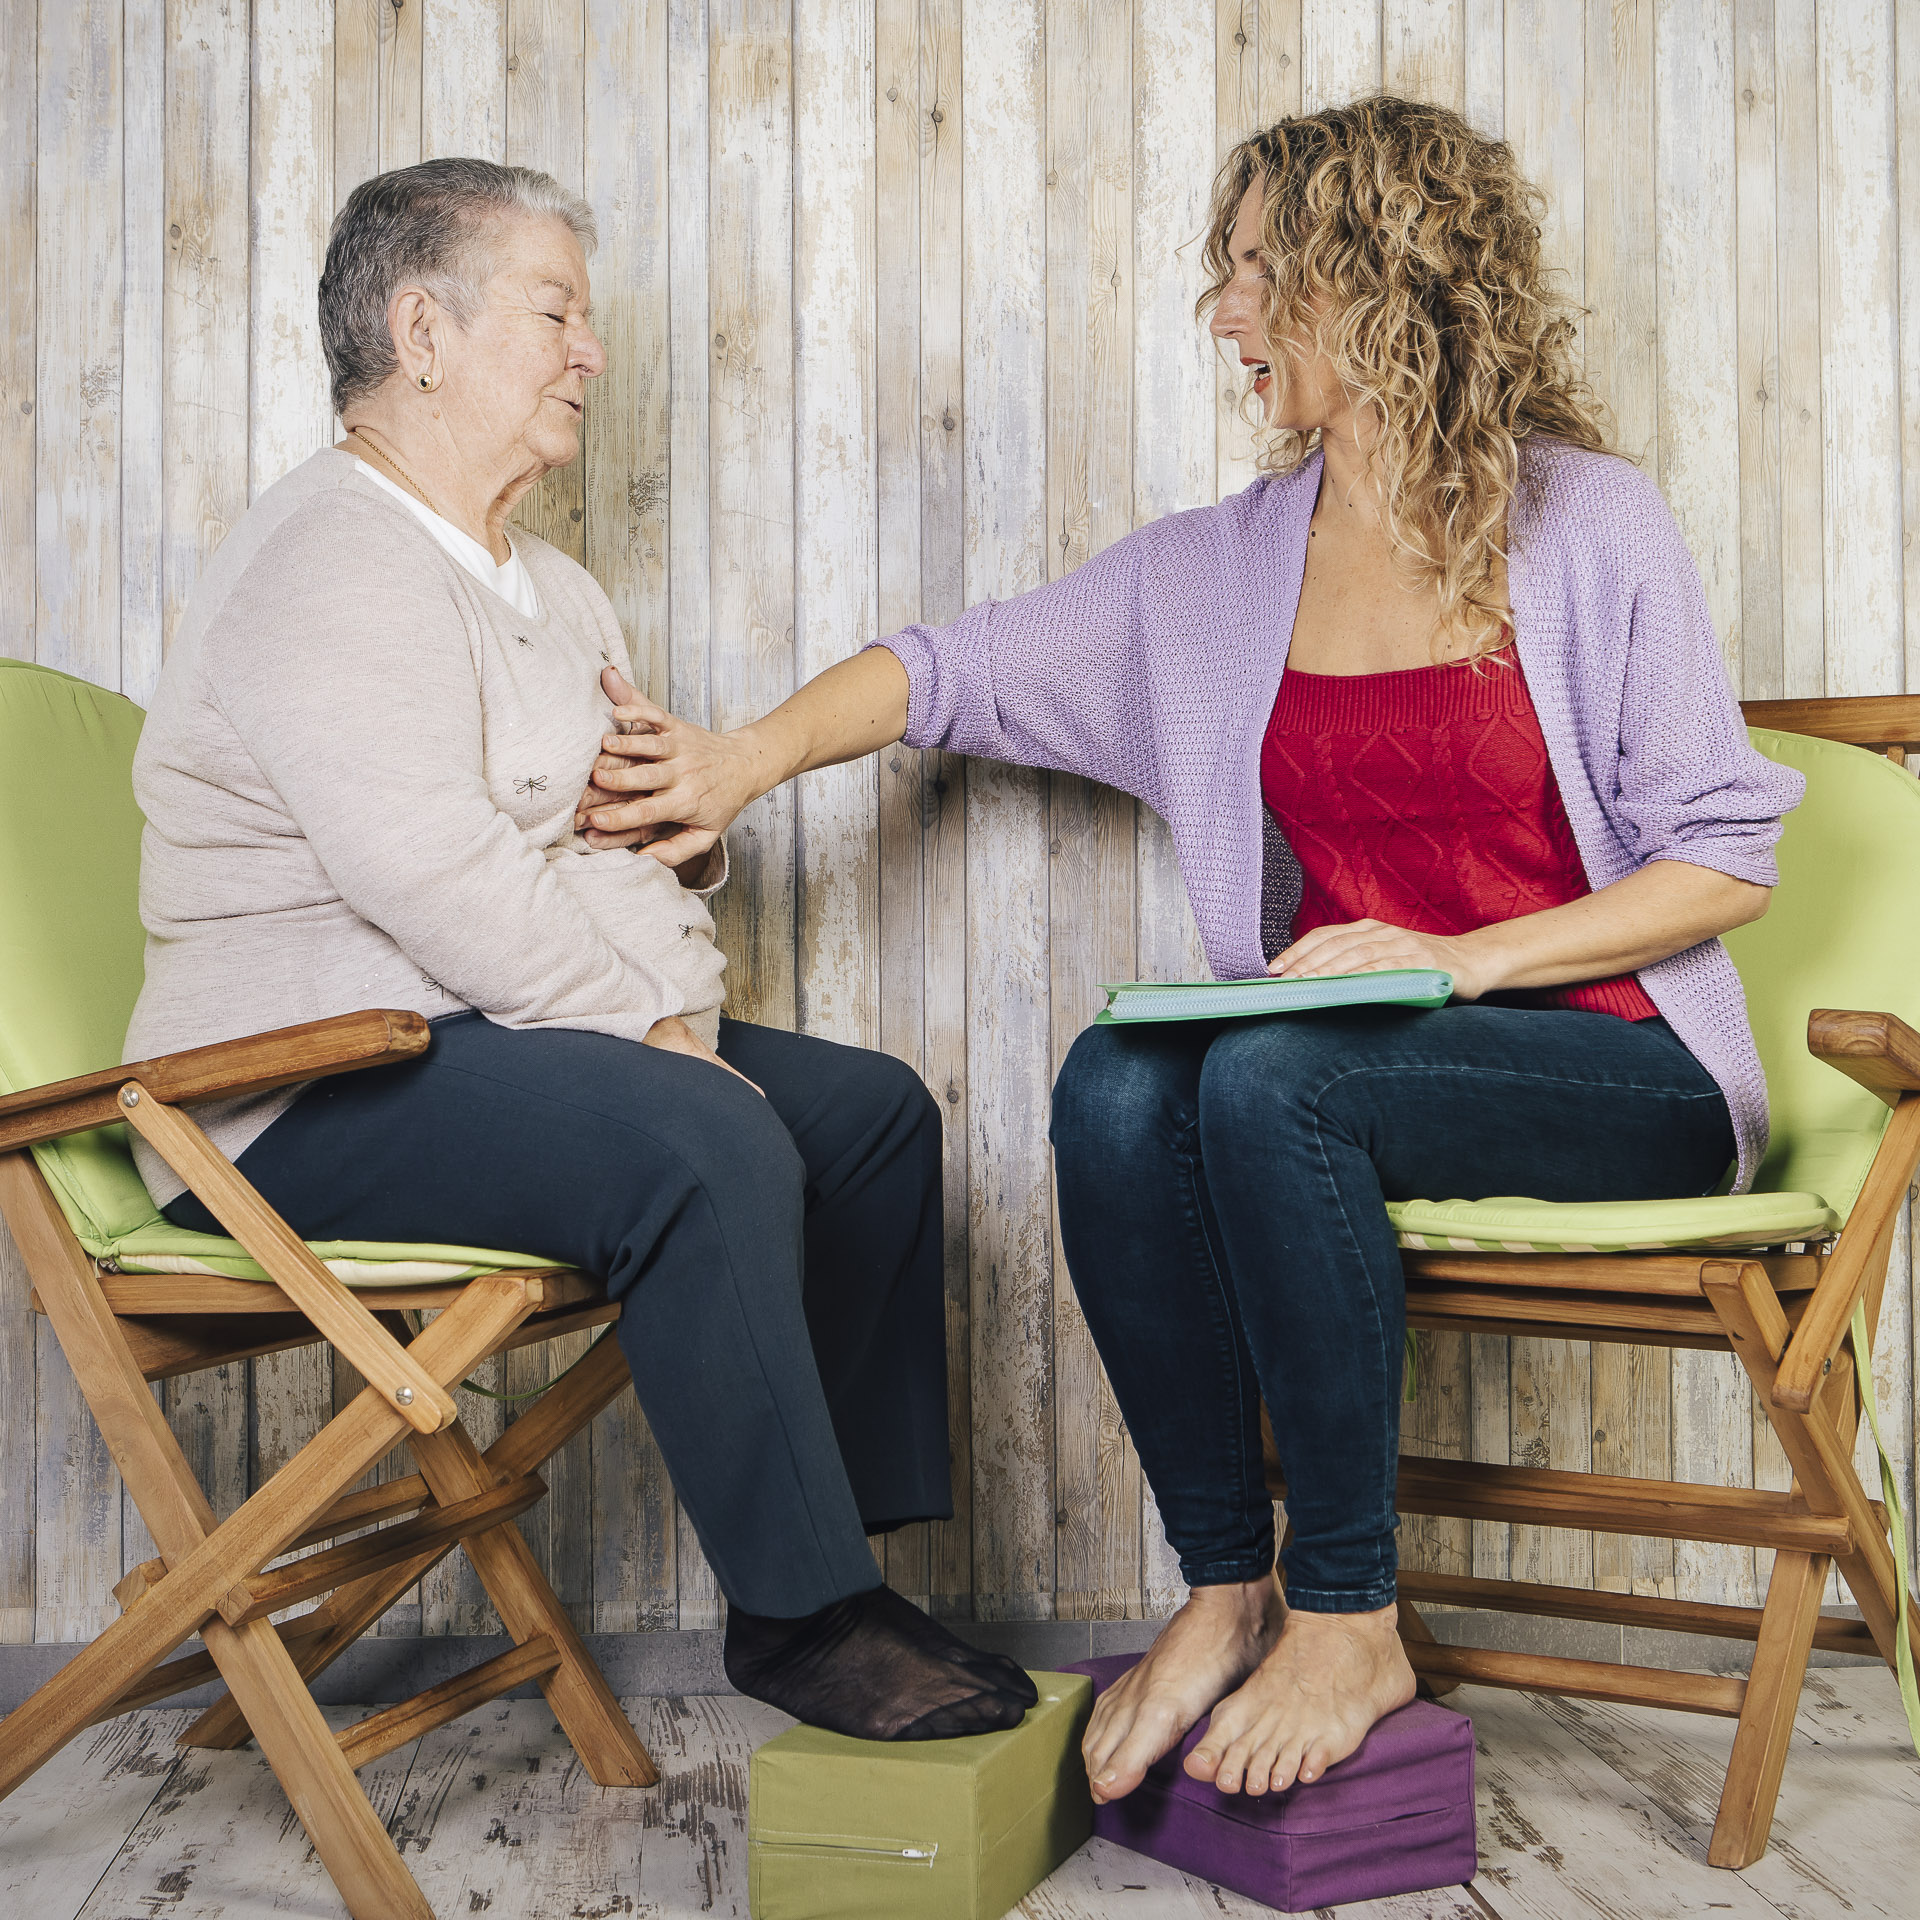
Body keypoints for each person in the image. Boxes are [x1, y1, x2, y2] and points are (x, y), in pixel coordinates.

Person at [575, 99, 1803, 1801]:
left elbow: (1722, 863)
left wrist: (1463, 959)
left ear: (1371, 280)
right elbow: (951, 667)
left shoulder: (1589, 524)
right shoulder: (1221, 579)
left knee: (1274, 1076)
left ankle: (1352, 1611)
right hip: (1356, 1070)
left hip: (1621, 1057)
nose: (1222, 316)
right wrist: (738, 762)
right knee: (1124, 1081)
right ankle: (1229, 1588)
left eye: (1252, 275)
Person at [122, 157, 1036, 1743]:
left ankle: (855, 1567)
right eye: (556, 313)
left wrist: (687, 832)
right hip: (307, 1082)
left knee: (871, 1113)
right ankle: (803, 1619)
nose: (589, 355)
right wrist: (657, 1033)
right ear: (422, 329)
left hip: (482, 1031)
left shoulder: (550, 589)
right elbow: (446, 881)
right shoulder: (331, 563)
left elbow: (586, 843)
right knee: (697, 1140)